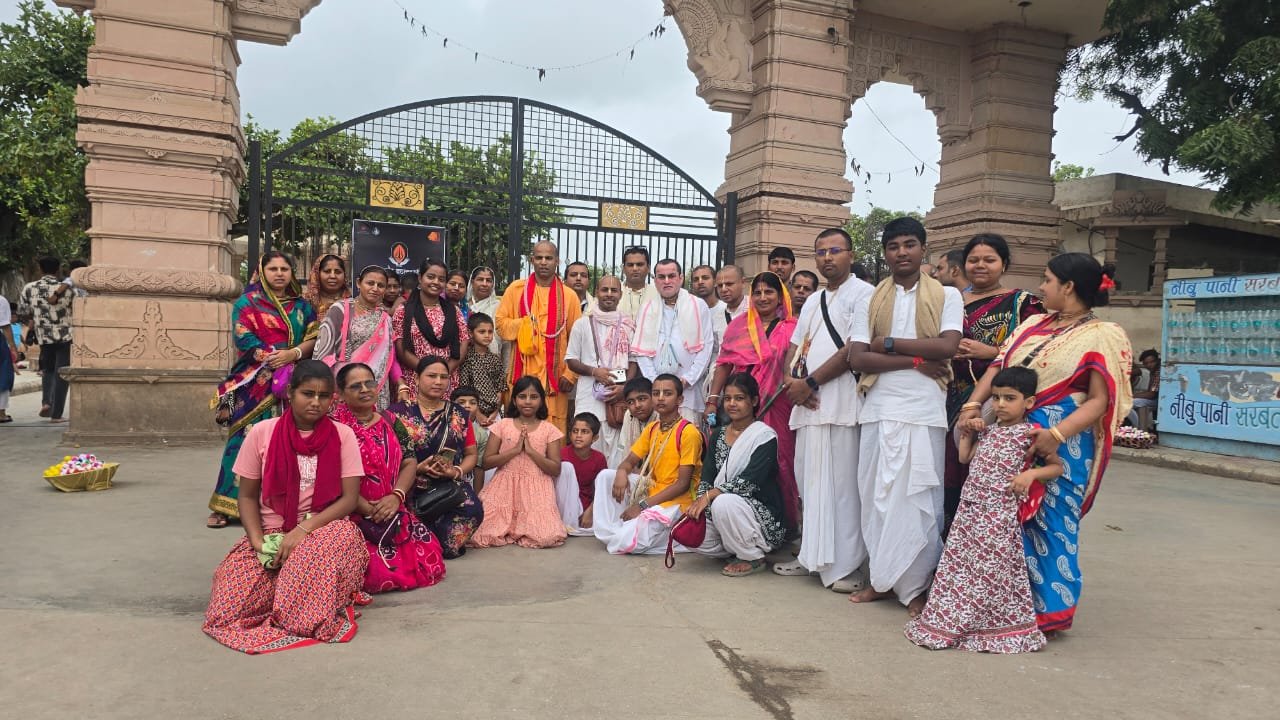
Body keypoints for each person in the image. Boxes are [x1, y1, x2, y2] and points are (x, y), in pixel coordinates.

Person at [958, 252, 1132, 634]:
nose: (1041, 287)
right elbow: (998, 367)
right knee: (1004, 523)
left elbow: (1099, 400)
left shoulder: (1102, 334)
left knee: (1052, 523)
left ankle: (1049, 612)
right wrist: (972, 403)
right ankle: (1005, 604)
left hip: (1063, 442)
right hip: (1011, 434)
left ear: (1068, 287)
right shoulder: (1032, 324)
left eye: (1047, 280)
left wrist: (1055, 435)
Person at [202, 360, 366, 654]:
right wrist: (258, 542)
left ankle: (293, 596)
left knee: (305, 611)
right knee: (225, 612)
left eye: (324, 396)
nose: (316, 402)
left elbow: (349, 499)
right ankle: (288, 591)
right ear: (290, 392)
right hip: (272, 534)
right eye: (308, 393)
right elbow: (247, 497)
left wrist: (302, 531)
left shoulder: (343, 435)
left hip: (324, 531)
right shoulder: (262, 432)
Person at [847, 216, 963, 616]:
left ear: (923, 248)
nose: (902, 253)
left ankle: (915, 587)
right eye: (894, 247)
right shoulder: (870, 299)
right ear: (885, 253)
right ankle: (881, 579)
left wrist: (890, 343)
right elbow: (858, 357)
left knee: (919, 501)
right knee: (876, 498)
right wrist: (915, 359)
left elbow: (947, 347)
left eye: (909, 245)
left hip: (923, 409)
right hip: (879, 407)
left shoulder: (947, 296)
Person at [905, 366, 1057, 653]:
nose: (1000, 404)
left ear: (1029, 402)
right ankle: (954, 617)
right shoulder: (990, 431)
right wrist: (967, 431)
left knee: (989, 570)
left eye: (1009, 398)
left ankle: (987, 623)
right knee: (961, 567)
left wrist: (1030, 475)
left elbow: (1056, 467)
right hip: (969, 512)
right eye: (996, 398)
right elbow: (965, 457)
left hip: (998, 514)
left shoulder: (1031, 436)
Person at [776, 228, 875, 591]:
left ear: (851, 254)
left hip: (841, 403)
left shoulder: (864, 293)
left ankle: (845, 568)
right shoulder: (814, 298)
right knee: (810, 483)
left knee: (843, 488)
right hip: (807, 406)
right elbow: (795, 345)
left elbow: (853, 348)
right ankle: (812, 557)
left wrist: (811, 383)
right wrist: (791, 381)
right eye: (821, 252)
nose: (827, 257)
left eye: (835, 250)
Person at [209, 252, 317, 528]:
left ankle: (279, 507)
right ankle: (225, 505)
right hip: (253, 381)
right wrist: (273, 357)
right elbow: (243, 336)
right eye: (273, 268)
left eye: (284, 269)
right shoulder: (247, 303)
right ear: (262, 271)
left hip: (291, 381)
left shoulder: (302, 306)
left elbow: (314, 337)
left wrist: (292, 354)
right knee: (243, 442)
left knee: (286, 444)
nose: (279, 273)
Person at [944, 234, 1043, 530]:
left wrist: (991, 352)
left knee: (979, 465)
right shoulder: (949, 301)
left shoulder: (1022, 304)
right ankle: (948, 537)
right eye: (973, 260)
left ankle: (980, 534)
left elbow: (1035, 351)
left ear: (1004, 264)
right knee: (943, 468)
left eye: (989, 260)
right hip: (944, 392)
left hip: (994, 401)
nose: (980, 265)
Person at [331, 363, 447, 594]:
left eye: (369, 383)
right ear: (341, 394)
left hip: (393, 509)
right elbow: (329, 475)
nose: (365, 389)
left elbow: (409, 461)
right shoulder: (334, 427)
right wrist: (367, 508)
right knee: (371, 574)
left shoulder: (390, 420)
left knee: (427, 564)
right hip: (350, 512)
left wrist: (396, 497)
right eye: (356, 386)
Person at [706, 272, 799, 531]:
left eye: (769, 292)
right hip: (741, 407)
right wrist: (712, 400)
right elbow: (724, 364)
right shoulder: (738, 326)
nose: (762, 297)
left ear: (780, 296)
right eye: (757, 292)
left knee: (781, 462)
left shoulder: (793, 328)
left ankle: (783, 525)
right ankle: (740, 521)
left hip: (778, 406)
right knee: (740, 461)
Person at [592, 374, 703, 555]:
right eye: (656, 393)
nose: (660, 398)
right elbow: (629, 461)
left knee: (624, 543)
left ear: (680, 400)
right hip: (652, 491)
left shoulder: (688, 432)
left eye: (667, 393)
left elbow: (682, 485)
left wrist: (642, 506)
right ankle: (614, 529)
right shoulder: (653, 428)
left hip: (677, 503)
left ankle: (675, 535)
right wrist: (621, 472)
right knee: (605, 475)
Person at [688, 373, 786, 577]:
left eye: (739, 398)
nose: (732, 404)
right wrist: (701, 500)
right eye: (727, 398)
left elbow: (749, 482)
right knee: (689, 532)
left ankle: (752, 556)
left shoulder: (764, 436)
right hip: (721, 509)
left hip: (759, 515)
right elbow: (707, 476)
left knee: (724, 502)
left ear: (754, 401)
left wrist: (710, 496)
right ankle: (734, 547)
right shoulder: (718, 434)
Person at [390, 357, 484, 558]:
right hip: (408, 484)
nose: (438, 382)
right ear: (416, 378)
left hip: (447, 483)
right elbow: (386, 457)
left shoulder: (459, 413)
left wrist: (456, 471)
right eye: (432, 376)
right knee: (396, 520)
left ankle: (438, 546)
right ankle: (422, 545)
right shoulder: (396, 414)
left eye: (444, 377)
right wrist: (415, 469)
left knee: (473, 510)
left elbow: (471, 454)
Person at [471, 376, 567, 549]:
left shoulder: (549, 429)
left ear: (541, 400)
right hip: (504, 487)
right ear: (514, 400)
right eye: (522, 396)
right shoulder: (503, 425)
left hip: (536, 488)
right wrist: (515, 450)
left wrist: (530, 451)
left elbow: (555, 469)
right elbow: (486, 462)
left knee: (546, 537)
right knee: (481, 533)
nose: (528, 401)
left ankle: (520, 529)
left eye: (534, 397)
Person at [496, 241, 583, 432]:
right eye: (539, 258)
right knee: (517, 430)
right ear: (532, 260)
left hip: (555, 378)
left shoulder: (569, 296)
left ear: (557, 261)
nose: (544, 262)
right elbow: (501, 325)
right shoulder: (516, 289)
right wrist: (526, 324)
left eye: (549, 258)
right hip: (522, 373)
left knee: (552, 434)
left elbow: (578, 340)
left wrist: (570, 374)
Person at [632, 259, 714, 428]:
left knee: (686, 437)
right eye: (661, 277)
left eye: (671, 276)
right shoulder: (647, 309)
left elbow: (706, 347)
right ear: (655, 280)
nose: (667, 281)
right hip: (657, 394)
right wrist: (656, 382)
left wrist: (687, 380)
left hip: (689, 392)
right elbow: (642, 352)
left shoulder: (698, 306)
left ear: (681, 278)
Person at [312, 266, 407, 411]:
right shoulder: (340, 309)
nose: (375, 289)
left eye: (381, 285)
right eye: (370, 283)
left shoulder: (386, 319)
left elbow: (390, 358)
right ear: (358, 283)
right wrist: (331, 386)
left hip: (376, 390)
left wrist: (401, 385)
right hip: (344, 388)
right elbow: (323, 351)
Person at [565, 275, 634, 459]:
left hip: (618, 398)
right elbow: (571, 360)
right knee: (588, 451)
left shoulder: (628, 325)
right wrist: (594, 372)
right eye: (604, 290)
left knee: (617, 453)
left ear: (620, 294)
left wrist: (624, 388)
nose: (609, 294)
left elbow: (634, 361)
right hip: (589, 396)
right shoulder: (582, 324)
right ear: (596, 292)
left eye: (614, 290)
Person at [392, 258, 471, 398]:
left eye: (441, 279)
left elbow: (463, 342)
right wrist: (427, 372)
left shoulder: (454, 311)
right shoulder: (403, 310)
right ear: (420, 278)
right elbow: (400, 348)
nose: (436, 282)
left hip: (446, 381)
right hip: (416, 379)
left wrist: (443, 373)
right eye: (430, 277)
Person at [17, 256, 74, 423]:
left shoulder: (29, 288)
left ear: (41, 269)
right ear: (58, 269)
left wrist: (35, 318)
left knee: (48, 370)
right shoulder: (68, 289)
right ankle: (56, 414)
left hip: (43, 336)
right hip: (65, 336)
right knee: (61, 372)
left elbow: (22, 311)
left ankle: (47, 402)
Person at [558, 412, 608, 530]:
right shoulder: (562, 454)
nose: (578, 436)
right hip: (563, 503)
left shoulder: (599, 458)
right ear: (570, 434)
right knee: (566, 467)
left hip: (586, 505)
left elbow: (602, 489)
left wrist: (590, 511)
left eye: (584, 432)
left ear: (595, 438)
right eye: (575, 431)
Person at [457, 312, 506, 423]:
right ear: (471, 333)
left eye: (490, 332)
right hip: (473, 413)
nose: (487, 335)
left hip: (494, 414)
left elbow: (500, 388)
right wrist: (477, 413)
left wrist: (496, 412)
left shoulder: (495, 359)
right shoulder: (467, 359)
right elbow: (465, 389)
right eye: (482, 332)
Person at [450, 386, 492, 491]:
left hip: (464, 482)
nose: (467, 406)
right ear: (451, 405)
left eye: (472, 403)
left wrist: (477, 495)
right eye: (461, 402)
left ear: (478, 407)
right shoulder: (443, 426)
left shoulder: (481, 434)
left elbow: (479, 468)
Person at [611, 376, 657, 467]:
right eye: (631, 402)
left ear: (653, 397)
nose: (637, 405)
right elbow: (624, 448)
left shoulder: (661, 416)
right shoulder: (629, 415)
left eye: (642, 399)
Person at [465, 266, 503, 355]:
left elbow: (505, 340)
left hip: (490, 358)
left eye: (488, 280)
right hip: (463, 356)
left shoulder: (499, 307)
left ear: (493, 284)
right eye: (480, 279)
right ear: (472, 282)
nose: (484, 284)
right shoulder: (463, 306)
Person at [302, 253, 350, 320]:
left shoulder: (352, 304)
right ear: (317, 274)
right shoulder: (304, 303)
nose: (333, 276)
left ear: (344, 275)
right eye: (327, 271)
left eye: (338, 272)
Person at [712, 265, 749, 349]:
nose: (724, 289)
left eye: (729, 284)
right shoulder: (717, 316)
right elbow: (716, 350)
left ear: (743, 283)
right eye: (720, 285)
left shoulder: (756, 308)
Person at [619, 245, 656, 318]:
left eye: (640, 264)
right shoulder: (613, 292)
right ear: (623, 269)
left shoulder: (657, 295)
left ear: (648, 268)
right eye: (630, 265)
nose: (635, 269)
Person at [1127, 349, 1160, 427]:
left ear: (1157, 360)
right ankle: (1141, 428)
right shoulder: (1153, 371)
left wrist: (1132, 396)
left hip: (1159, 401)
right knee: (1133, 403)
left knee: (1128, 403)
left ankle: (1138, 428)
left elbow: (1151, 395)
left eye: (1152, 362)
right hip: (1154, 399)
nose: (1149, 365)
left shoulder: (1158, 372)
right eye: (1146, 363)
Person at [0, 295, 16, 424]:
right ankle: (1, 413)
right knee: (4, 375)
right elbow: (5, 325)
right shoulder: (1, 300)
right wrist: (13, 347)